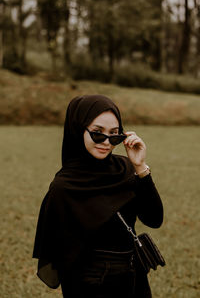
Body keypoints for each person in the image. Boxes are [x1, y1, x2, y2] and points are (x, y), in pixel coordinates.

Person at [33, 95, 163, 298]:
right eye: (97, 133)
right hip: (91, 282)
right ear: (78, 130)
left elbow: (154, 219)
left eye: (114, 135)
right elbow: (61, 256)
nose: (106, 142)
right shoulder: (64, 187)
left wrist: (140, 167)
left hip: (134, 275)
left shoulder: (126, 169)